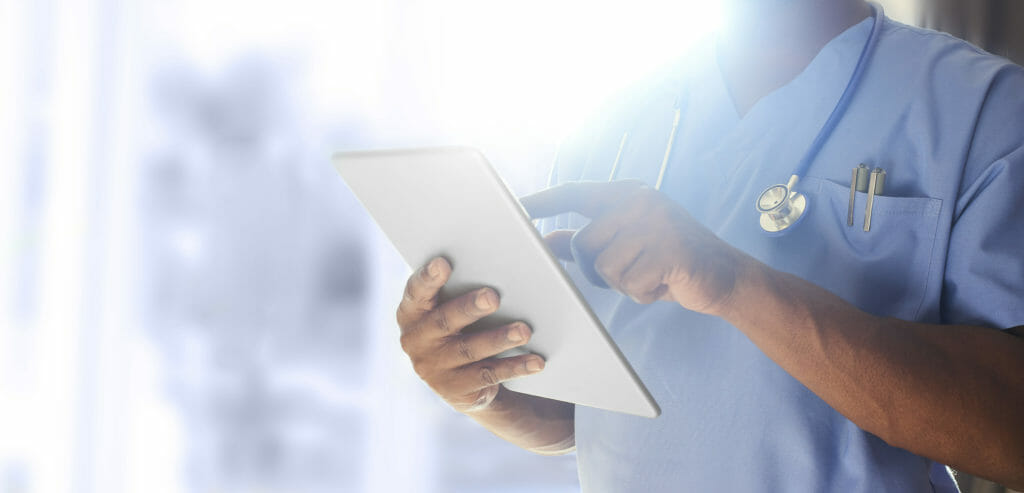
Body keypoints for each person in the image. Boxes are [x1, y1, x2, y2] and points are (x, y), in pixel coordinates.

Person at [394, 0, 1024, 490]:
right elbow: (594, 421)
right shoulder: (612, 123)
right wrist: (481, 389)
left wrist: (734, 284)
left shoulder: (986, 112)